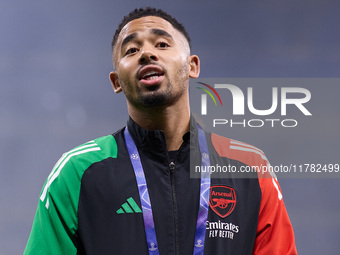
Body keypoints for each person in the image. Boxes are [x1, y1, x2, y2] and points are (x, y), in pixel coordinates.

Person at [24, 7, 297, 255]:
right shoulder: (77, 172)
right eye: (131, 50)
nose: (146, 53)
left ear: (192, 66)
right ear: (116, 81)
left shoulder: (249, 166)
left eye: (162, 44)